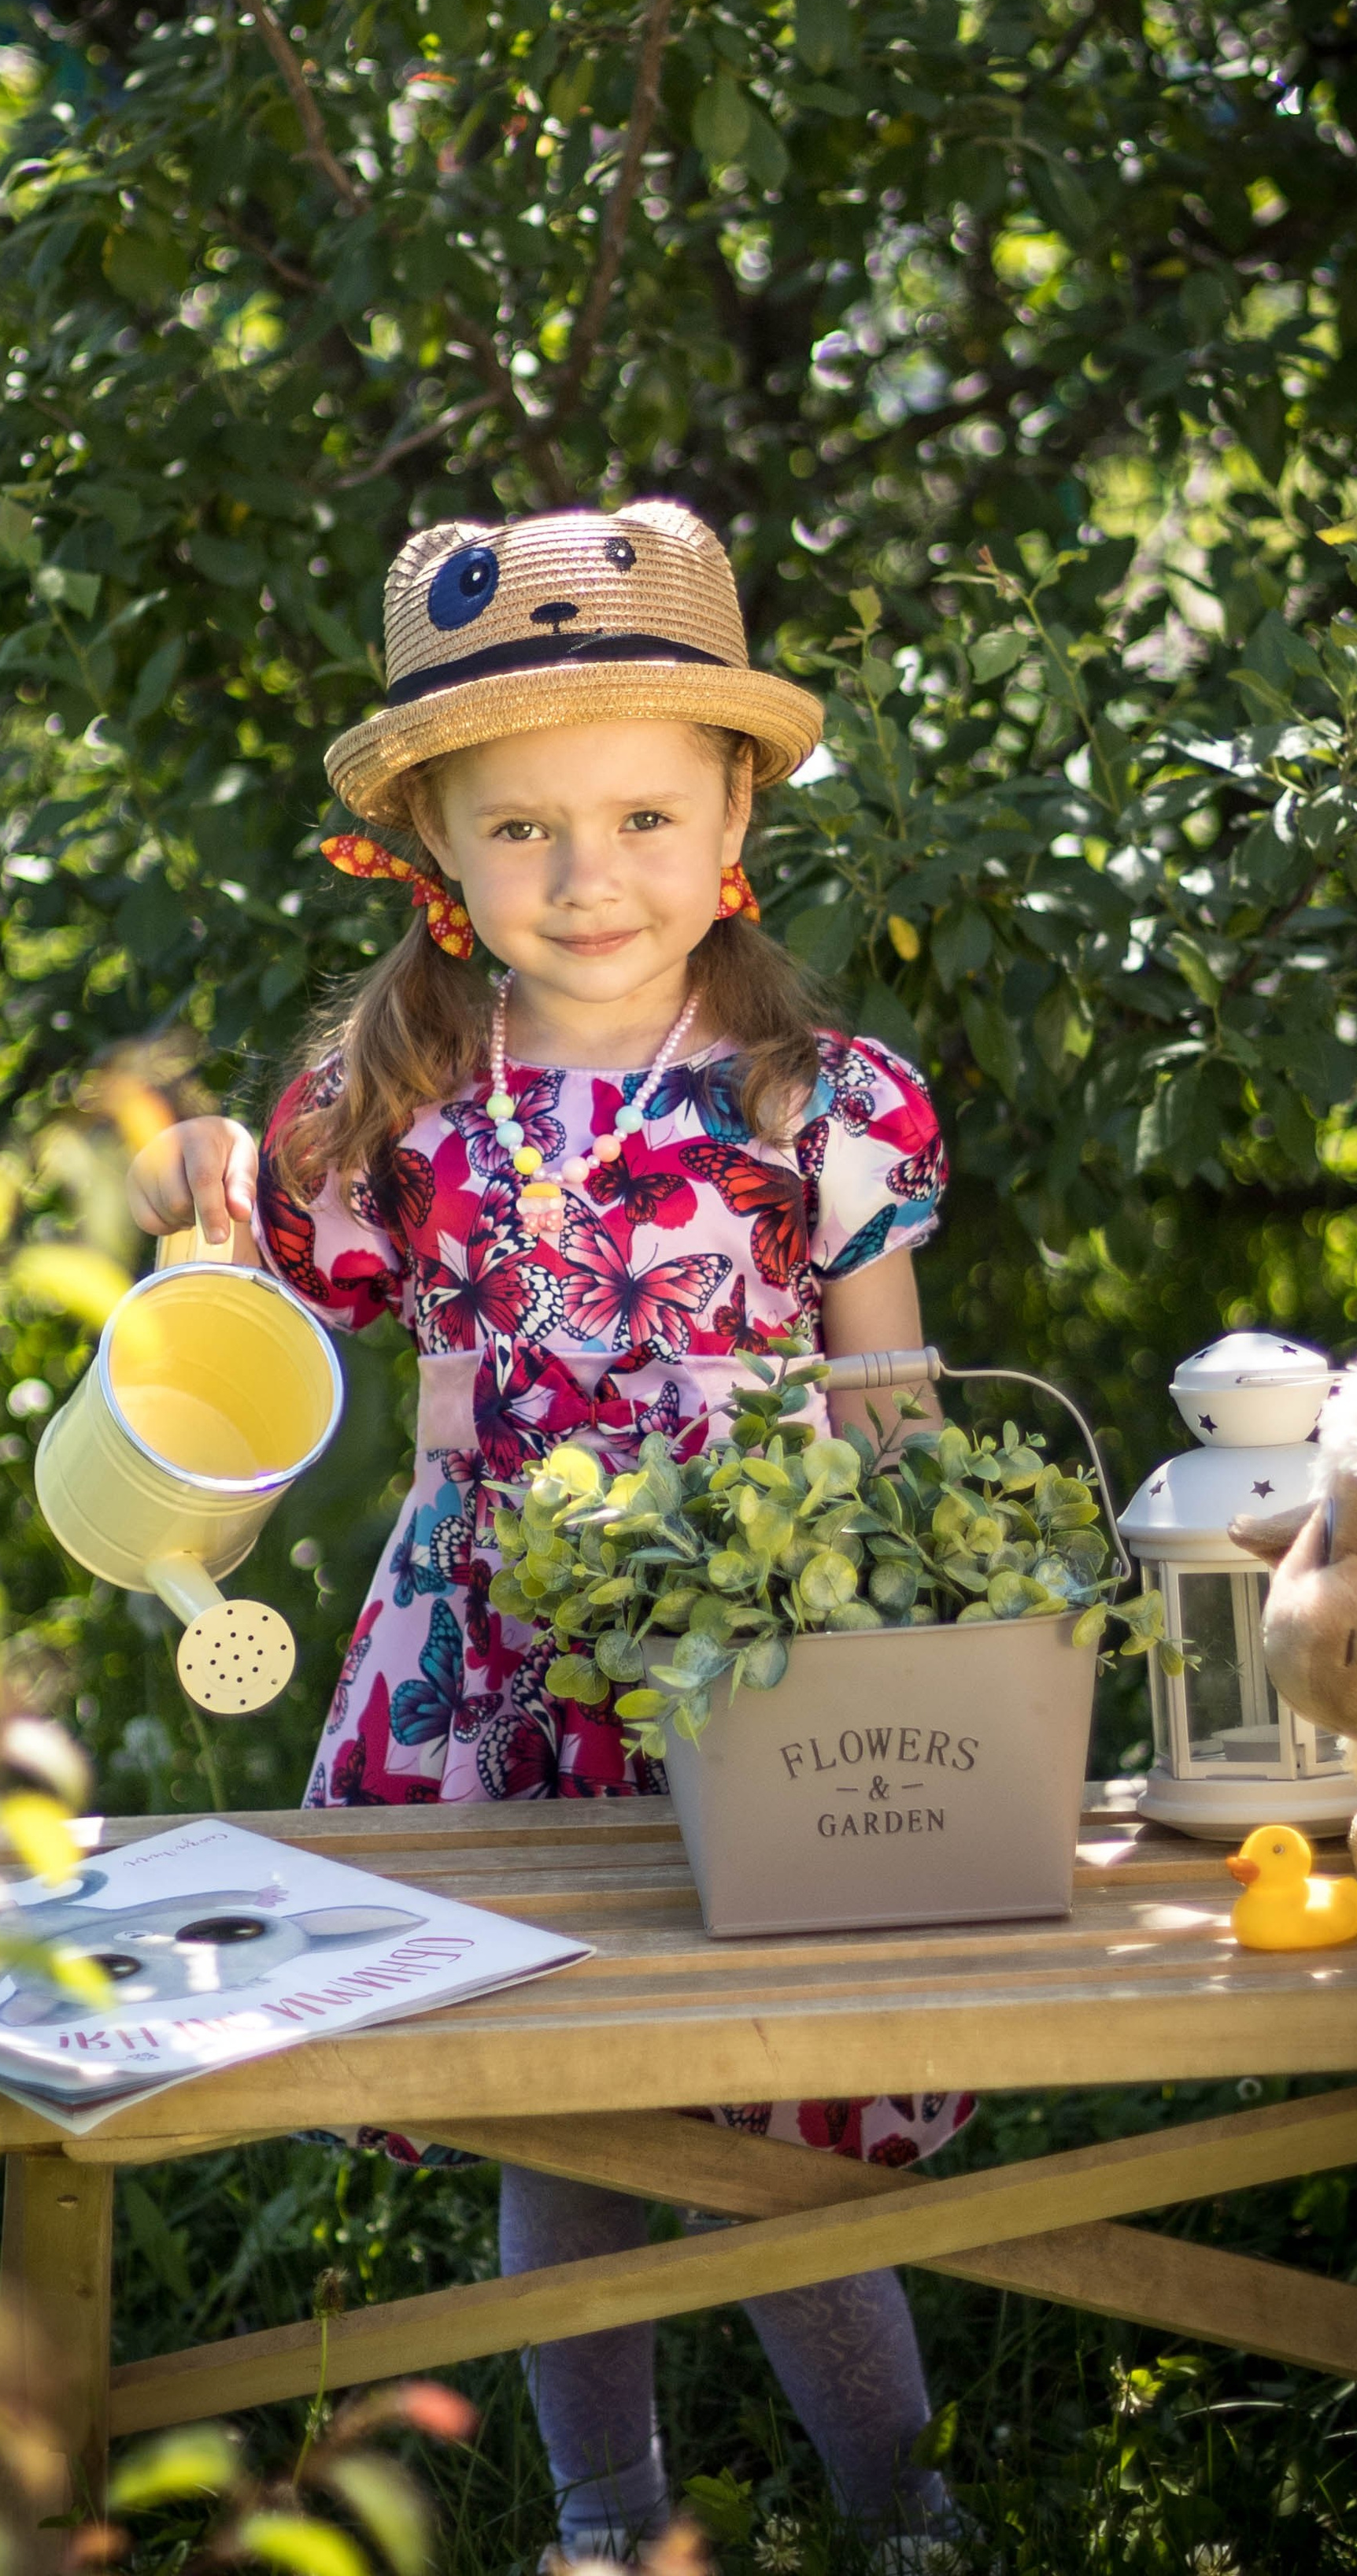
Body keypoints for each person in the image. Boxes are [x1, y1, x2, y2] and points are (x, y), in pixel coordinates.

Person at [128, 499, 967, 2566]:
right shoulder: (393, 1099)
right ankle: (606, 2525)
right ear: (439, 851)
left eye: (641, 819)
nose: (588, 880)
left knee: (775, 2113)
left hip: (759, 1661)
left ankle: (910, 2506)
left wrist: (946, 1648)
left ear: (735, 809)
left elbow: (898, 1415)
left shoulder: (816, 1103)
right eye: (522, 832)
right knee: (562, 2102)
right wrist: (204, 1215)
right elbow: (250, 1367)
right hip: (487, 1672)